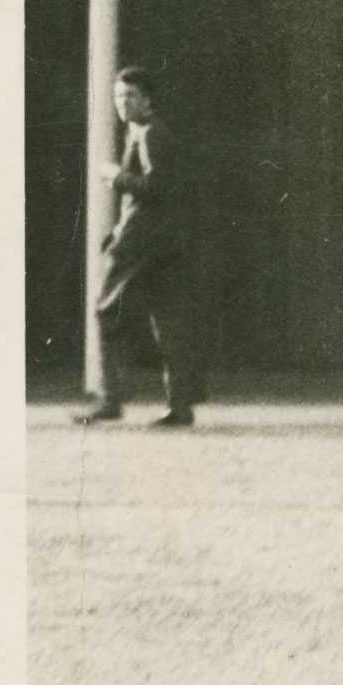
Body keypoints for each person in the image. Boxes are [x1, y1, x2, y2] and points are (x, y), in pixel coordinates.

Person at [73, 65, 200, 429]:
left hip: (144, 243)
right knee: (170, 322)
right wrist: (117, 229)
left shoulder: (150, 134)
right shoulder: (145, 132)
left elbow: (155, 188)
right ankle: (181, 405)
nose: (121, 103)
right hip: (163, 242)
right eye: (117, 96)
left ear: (147, 99)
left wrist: (116, 177)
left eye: (128, 95)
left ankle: (110, 399)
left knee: (106, 312)